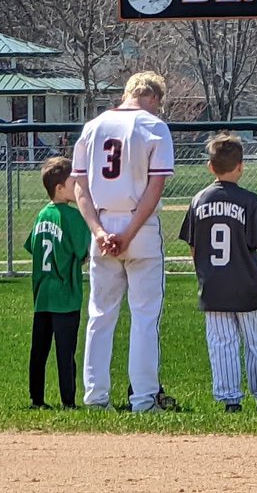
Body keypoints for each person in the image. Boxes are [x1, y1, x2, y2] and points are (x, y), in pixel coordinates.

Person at [73, 71, 174, 413]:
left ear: (127, 93)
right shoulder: (154, 127)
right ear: (155, 99)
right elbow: (155, 188)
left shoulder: (93, 126)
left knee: (100, 316)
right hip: (139, 227)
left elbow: (80, 188)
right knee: (145, 317)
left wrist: (99, 232)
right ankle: (144, 399)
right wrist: (128, 233)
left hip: (101, 223)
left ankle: (95, 397)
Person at [178, 134, 257, 413]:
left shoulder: (198, 200)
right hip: (246, 283)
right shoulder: (249, 200)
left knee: (222, 342)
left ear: (210, 167)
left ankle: (230, 399)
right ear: (241, 166)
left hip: (213, 285)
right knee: (256, 341)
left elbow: (194, 246)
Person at [24, 155, 91, 409]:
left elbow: (33, 246)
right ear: (60, 188)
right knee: (65, 352)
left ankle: (37, 399)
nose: (78, 186)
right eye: (74, 182)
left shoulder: (42, 215)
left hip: (42, 294)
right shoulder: (72, 217)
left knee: (39, 351)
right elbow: (82, 253)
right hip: (66, 295)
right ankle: (68, 401)